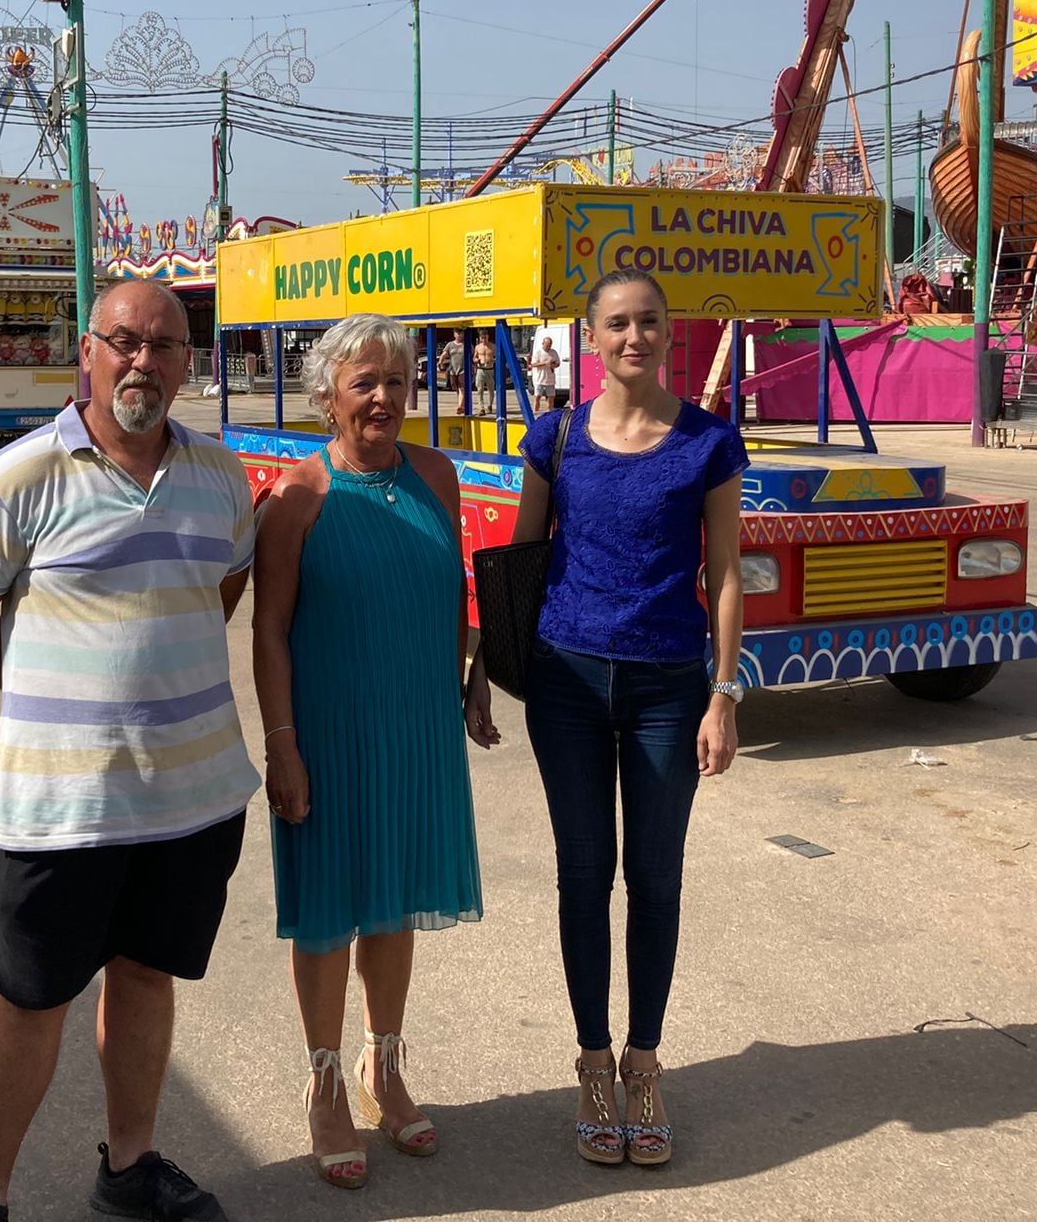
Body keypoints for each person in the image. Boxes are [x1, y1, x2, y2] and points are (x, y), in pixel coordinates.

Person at [0, 280, 258, 1222]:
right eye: (125, 342)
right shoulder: (17, 476)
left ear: (188, 365)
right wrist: (53, 698)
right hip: (60, 808)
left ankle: (131, 1166)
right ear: (88, 351)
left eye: (165, 347)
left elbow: (219, 593)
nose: (144, 362)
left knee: (148, 978)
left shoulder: (221, 478)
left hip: (191, 800)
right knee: (31, 1002)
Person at [462, 266, 746, 1171]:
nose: (635, 337)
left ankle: (646, 1062)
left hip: (668, 683)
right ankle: (592, 1062)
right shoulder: (555, 437)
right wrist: (483, 665)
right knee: (584, 875)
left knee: (656, 879)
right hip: (567, 682)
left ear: (670, 331)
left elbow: (727, 573)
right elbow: (519, 559)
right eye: (618, 324)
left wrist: (723, 693)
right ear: (590, 336)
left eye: (650, 322)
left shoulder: (708, 442)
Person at [254, 314, 481, 1190]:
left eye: (397, 381)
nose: (383, 397)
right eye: (364, 383)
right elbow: (269, 632)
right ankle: (323, 1083)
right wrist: (283, 748)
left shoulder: (437, 475)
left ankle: (383, 1070)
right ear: (328, 397)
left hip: (418, 726)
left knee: (393, 905)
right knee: (327, 913)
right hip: (328, 733)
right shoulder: (299, 498)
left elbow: (448, 590)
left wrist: (473, 672)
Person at [528, 334, 563, 411]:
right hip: (540, 379)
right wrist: (545, 363)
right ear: (543, 344)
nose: (548, 347)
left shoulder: (553, 352)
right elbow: (533, 364)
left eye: (550, 345)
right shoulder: (538, 353)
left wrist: (553, 364)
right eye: (547, 345)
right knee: (537, 396)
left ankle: (550, 411)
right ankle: (535, 411)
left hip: (550, 379)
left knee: (551, 397)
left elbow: (558, 364)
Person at [474, 336, 497, 416]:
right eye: (482, 338)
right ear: (480, 338)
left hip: (489, 369)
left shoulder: (492, 346)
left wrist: (492, 360)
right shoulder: (478, 347)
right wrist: (476, 360)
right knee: (480, 389)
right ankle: (481, 408)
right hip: (480, 369)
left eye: (485, 338)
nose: (484, 340)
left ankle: (489, 405)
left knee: (491, 389)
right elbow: (474, 358)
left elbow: (498, 356)